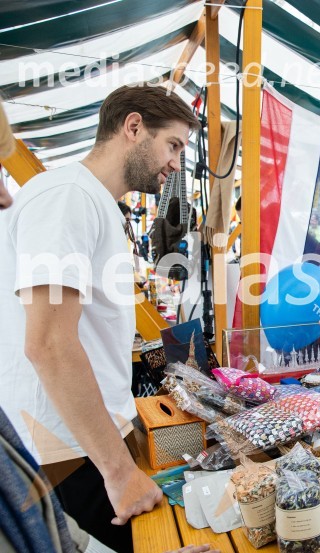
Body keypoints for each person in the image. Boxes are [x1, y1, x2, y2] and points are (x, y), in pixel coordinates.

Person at [0, 84, 200, 552]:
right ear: (133, 127)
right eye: (173, 145)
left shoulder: (90, 199)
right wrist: (118, 470)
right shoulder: (68, 197)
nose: (176, 164)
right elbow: (49, 344)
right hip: (65, 447)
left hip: (84, 437)